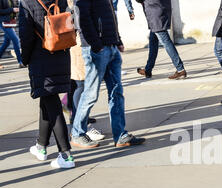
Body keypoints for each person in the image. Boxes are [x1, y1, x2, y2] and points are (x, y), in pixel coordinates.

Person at [71, 0, 145, 148]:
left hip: (111, 47)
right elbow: (82, 19)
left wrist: (118, 40)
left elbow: (111, 15)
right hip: (97, 49)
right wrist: (96, 45)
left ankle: (120, 136)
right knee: (91, 94)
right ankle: (77, 133)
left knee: (117, 92)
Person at [19, 0, 75, 169]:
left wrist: (25, 59)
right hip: (61, 53)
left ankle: (65, 155)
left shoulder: (26, 2)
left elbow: (26, 35)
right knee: (47, 99)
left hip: (40, 57)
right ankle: (41, 146)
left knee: (53, 105)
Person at [67, 0, 104, 141]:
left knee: (77, 85)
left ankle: (77, 118)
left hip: (75, 40)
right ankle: (81, 125)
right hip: (76, 41)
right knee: (81, 85)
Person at [136, 0, 187, 80]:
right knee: (153, 42)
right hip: (160, 9)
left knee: (165, 41)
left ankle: (180, 69)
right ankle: (148, 70)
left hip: (155, 11)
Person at [0, 0, 24, 67]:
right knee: (15, 40)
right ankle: (21, 62)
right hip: (3, 22)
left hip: (10, 21)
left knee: (6, 42)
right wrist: (12, 9)